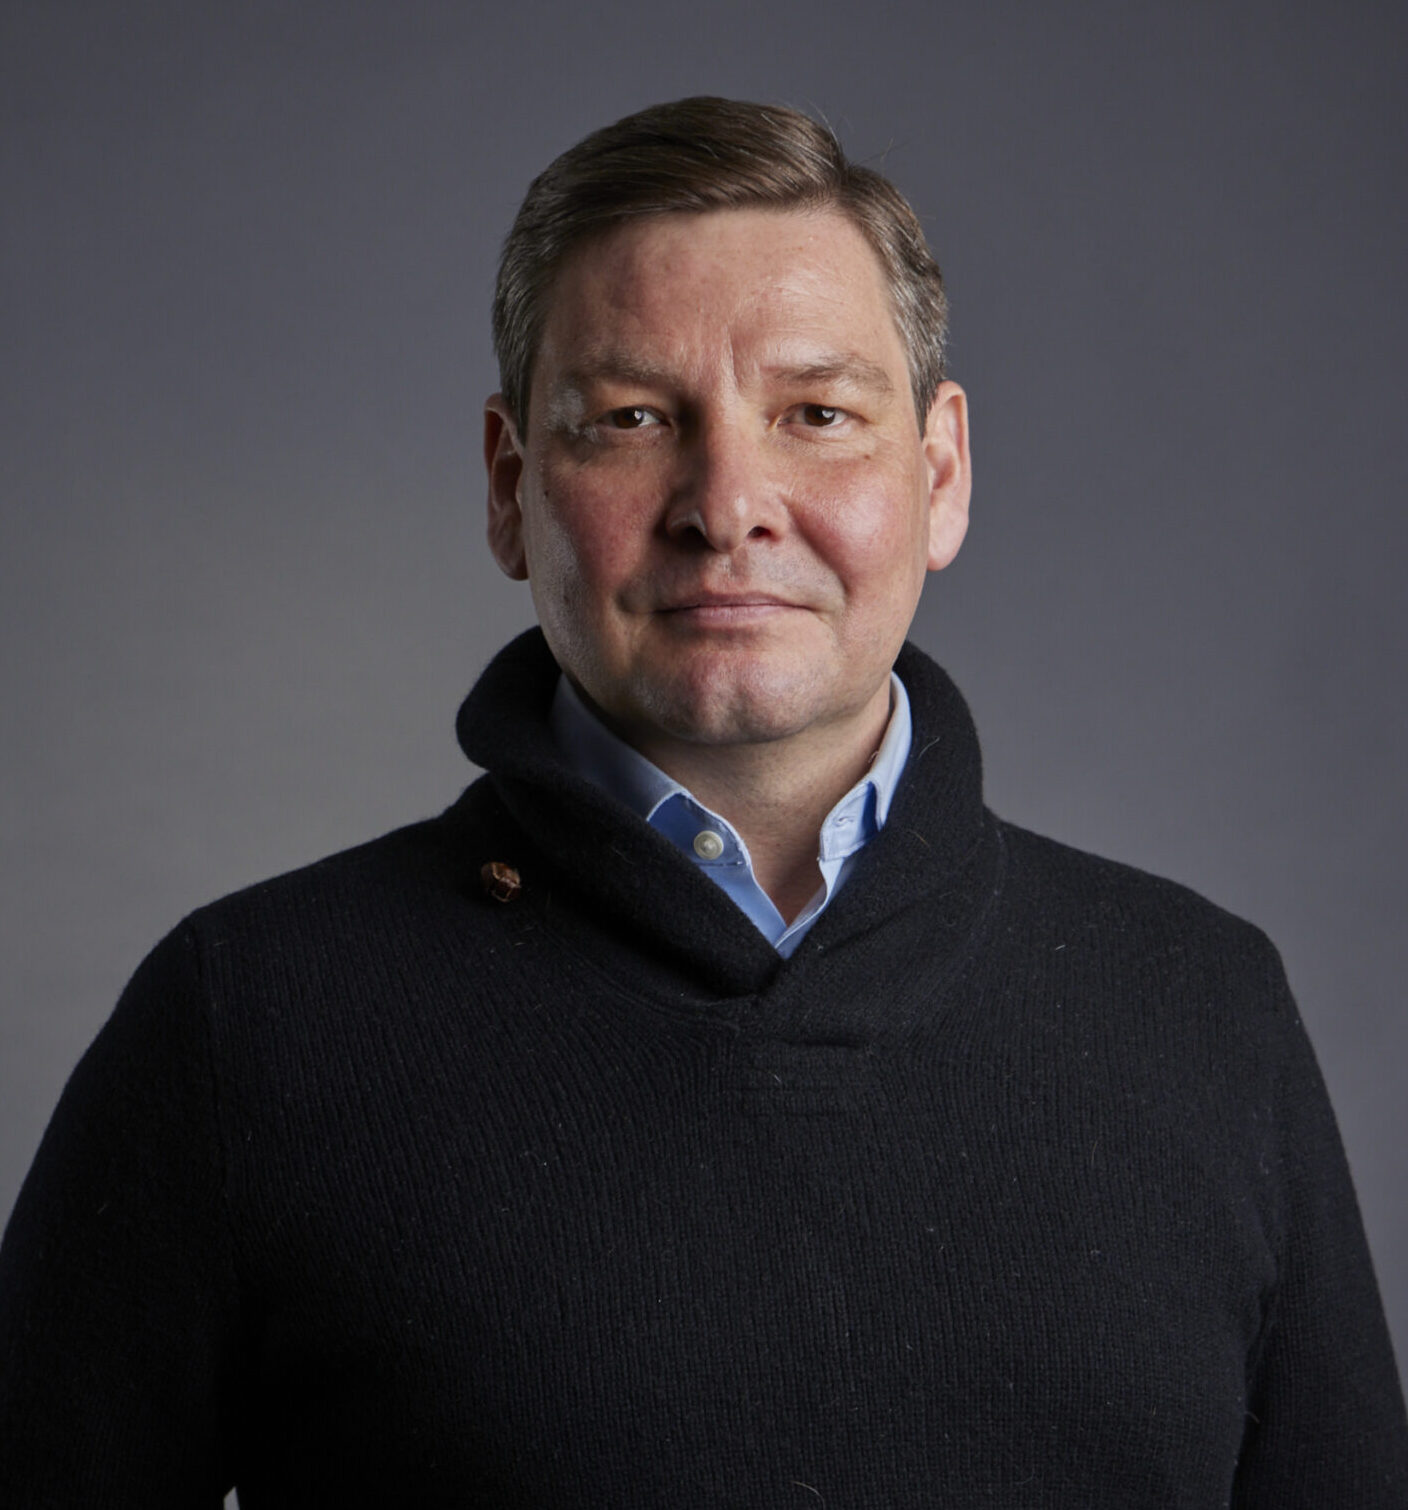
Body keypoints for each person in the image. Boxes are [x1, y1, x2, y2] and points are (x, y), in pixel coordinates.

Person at [1, 95, 1404, 1508]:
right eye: (630, 417)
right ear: (509, 486)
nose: (728, 499)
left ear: (940, 471)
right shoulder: (245, 1024)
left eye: (817, 414)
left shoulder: (1204, 1009)